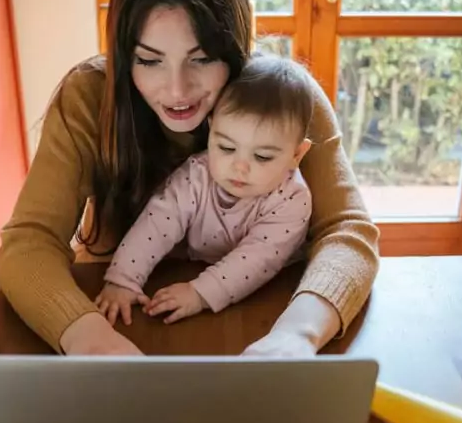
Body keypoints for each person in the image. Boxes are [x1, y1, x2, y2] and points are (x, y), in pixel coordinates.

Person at [0, 0, 379, 357]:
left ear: (235, 48)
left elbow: (348, 232)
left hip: (262, 319)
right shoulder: (89, 98)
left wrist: (298, 334)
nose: (177, 90)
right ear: (125, 56)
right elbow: (29, 243)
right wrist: (85, 335)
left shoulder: (286, 101)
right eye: (149, 60)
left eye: (200, 58)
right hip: (120, 315)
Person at [96, 55, 315, 326]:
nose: (239, 167)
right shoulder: (196, 175)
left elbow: (258, 259)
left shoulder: (292, 198)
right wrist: (124, 279)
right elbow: (156, 223)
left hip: (273, 291)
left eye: (262, 157)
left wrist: (199, 293)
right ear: (211, 129)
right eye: (226, 148)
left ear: (297, 154)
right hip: (195, 267)